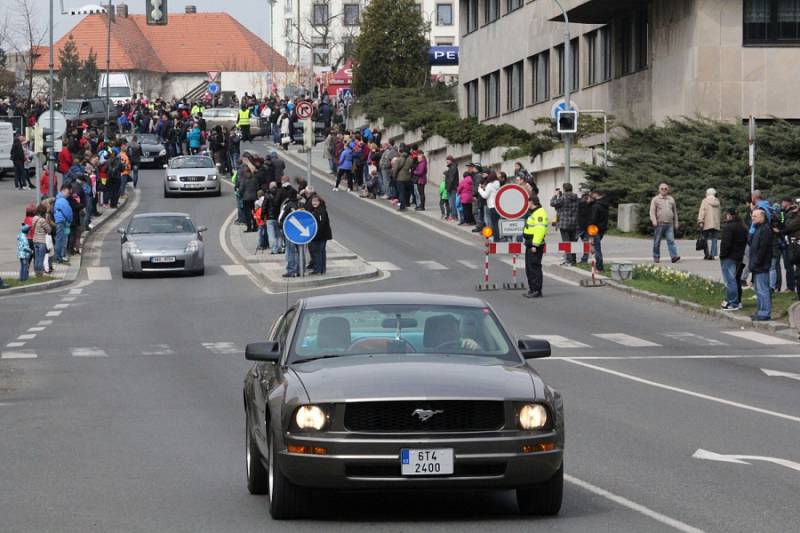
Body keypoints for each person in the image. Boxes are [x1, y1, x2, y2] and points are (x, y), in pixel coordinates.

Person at [719, 208, 748, 311]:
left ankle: (733, 302)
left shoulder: (729, 227)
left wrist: (722, 255)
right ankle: (737, 301)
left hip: (729, 256)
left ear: (729, 215)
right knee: (736, 279)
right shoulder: (743, 226)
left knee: (730, 280)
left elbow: (726, 244)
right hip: (738, 256)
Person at [749, 207, 773, 321]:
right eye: (752, 216)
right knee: (759, 290)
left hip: (761, 265)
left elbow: (762, 249)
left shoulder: (765, 229)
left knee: (763, 289)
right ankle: (760, 311)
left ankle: (764, 312)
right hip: (757, 264)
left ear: (762, 217)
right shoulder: (758, 228)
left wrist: (757, 262)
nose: (752, 218)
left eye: (755, 216)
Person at [523, 196, 548, 298]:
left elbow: (539, 230)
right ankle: (532, 289)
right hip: (530, 243)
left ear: (532, 202)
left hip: (535, 244)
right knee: (529, 268)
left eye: (528, 202)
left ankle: (537, 290)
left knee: (534, 267)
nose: (527, 204)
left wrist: (535, 244)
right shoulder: (534, 212)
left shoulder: (539, 213)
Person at [649, 182, 681, 263]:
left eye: (665, 189)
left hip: (669, 224)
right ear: (659, 190)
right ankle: (656, 256)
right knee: (657, 242)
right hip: (659, 224)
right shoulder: (655, 199)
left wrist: (676, 223)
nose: (664, 190)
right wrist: (654, 220)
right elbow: (652, 211)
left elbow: (675, 212)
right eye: (662, 189)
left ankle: (674, 256)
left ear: (668, 190)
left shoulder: (671, 199)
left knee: (671, 241)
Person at [550, 183, 579, 265]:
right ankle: (573, 260)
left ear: (564, 189)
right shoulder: (576, 198)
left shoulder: (563, 197)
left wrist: (555, 195)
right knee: (573, 242)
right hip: (574, 223)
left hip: (564, 223)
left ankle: (568, 260)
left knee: (566, 242)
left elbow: (552, 203)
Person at [308, 195, 332, 275]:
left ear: (319, 202)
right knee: (321, 252)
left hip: (319, 236)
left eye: (316, 201)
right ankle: (321, 270)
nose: (314, 203)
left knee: (317, 252)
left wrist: (315, 234)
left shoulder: (320, 211)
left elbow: (320, 224)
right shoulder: (318, 210)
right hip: (321, 235)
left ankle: (318, 270)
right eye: (313, 201)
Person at [697, 188, 721, 260]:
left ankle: (707, 254)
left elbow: (702, 211)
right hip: (716, 223)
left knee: (705, 239)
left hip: (707, 223)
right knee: (714, 239)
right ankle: (712, 255)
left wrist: (701, 221)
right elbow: (719, 213)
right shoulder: (717, 202)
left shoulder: (705, 201)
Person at [589, 190, 610, 271]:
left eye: (593, 194)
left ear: (596, 194)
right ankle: (598, 266)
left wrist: (590, 233)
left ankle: (599, 267)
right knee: (596, 247)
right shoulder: (604, 204)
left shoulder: (596, 206)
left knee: (596, 249)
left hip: (595, 229)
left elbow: (593, 220)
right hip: (602, 228)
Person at [478, 172, 501, 241]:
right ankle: (498, 237)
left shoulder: (489, 185)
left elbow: (485, 195)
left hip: (492, 206)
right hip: (498, 206)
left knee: (494, 223)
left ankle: (496, 238)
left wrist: (480, 189)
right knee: (497, 223)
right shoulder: (498, 184)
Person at [53, 184, 73, 263]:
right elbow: (68, 213)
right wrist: (70, 220)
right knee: (61, 240)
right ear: (64, 190)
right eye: (68, 193)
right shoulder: (62, 200)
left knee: (59, 239)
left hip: (59, 221)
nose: (68, 195)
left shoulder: (58, 199)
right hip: (62, 222)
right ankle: (59, 257)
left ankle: (59, 256)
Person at [31, 204, 51, 278]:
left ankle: (36, 272)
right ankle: (40, 274)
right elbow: (49, 229)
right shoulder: (42, 220)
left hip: (35, 240)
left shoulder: (34, 218)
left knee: (36, 257)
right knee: (41, 258)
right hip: (42, 241)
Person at [443, 155, 459, 221]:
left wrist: (448, 188)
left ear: (451, 161)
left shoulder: (453, 167)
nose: (447, 161)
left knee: (452, 202)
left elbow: (451, 179)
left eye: (448, 160)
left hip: (452, 188)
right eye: (446, 160)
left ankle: (454, 216)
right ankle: (453, 215)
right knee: (451, 202)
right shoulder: (452, 167)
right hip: (451, 187)